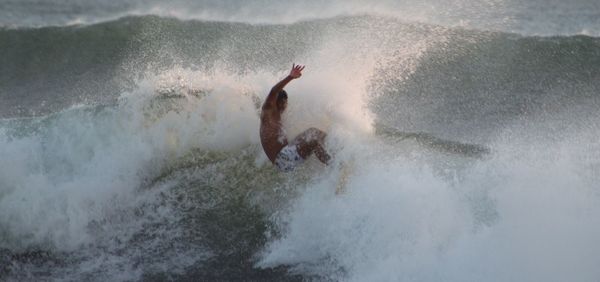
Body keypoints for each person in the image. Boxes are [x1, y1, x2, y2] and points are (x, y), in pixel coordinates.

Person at [260, 64, 331, 172]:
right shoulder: (268, 110)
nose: (285, 106)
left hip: (283, 160)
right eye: (284, 103)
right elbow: (274, 91)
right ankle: (334, 160)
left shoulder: (274, 117)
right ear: (279, 102)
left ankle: (331, 159)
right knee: (313, 133)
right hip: (283, 158)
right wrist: (290, 77)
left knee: (311, 140)